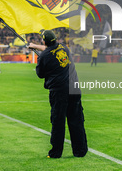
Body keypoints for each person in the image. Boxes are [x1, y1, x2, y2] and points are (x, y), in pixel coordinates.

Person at [28, 30, 88, 158]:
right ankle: (80, 151)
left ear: (44, 41)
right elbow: (49, 49)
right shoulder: (64, 47)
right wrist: (34, 46)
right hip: (74, 88)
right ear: (55, 39)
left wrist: (40, 56)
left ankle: (56, 152)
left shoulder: (44, 56)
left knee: (58, 122)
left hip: (59, 92)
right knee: (76, 120)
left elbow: (40, 74)